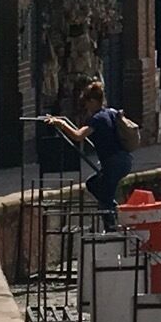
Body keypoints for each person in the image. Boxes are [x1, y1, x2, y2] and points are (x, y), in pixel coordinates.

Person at [43, 80, 136, 228]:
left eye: (86, 103)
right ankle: (112, 211)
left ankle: (112, 227)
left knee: (106, 196)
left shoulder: (98, 118)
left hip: (114, 163)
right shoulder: (111, 113)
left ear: (93, 101)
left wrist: (61, 124)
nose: (85, 107)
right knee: (93, 184)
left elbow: (78, 135)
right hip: (124, 160)